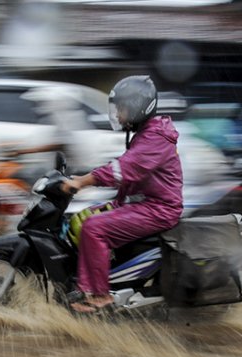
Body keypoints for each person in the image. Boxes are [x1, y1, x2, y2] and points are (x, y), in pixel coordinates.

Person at [61, 75, 184, 313]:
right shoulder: (147, 132)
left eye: (121, 109)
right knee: (78, 220)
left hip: (158, 208)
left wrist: (84, 182)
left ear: (138, 108)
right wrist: (82, 177)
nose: (117, 115)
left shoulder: (155, 138)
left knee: (94, 228)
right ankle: (88, 278)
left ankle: (100, 296)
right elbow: (128, 171)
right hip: (141, 203)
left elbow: (125, 169)